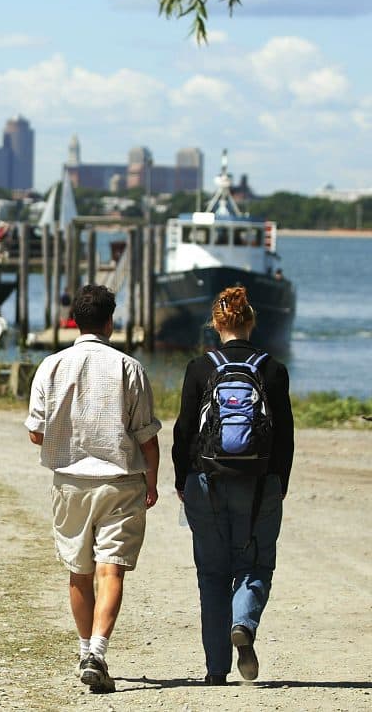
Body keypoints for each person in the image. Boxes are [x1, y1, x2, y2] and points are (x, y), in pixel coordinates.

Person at [24, 284, 161, 693]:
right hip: (120, 482)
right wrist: (152, 482)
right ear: (109, 322)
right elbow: (147, 438)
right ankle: (97, 652)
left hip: (69, 482)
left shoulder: (50, 366)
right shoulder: (129, 368)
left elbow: (36, 433)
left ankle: (85, 648)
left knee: (78, 572)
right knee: (111, 567)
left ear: (73, 321)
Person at [172, 286, 293, 686]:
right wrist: (280, 483)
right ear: (251, 321)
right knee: (256, 564)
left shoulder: (199, 367)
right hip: (261, 483)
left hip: (205, 479)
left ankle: (215, 670)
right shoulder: (272, 369)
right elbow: (286, 437)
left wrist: (181, 480)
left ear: (216, 323)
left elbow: (184, 430)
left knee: (211, 575)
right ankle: (244, 622)